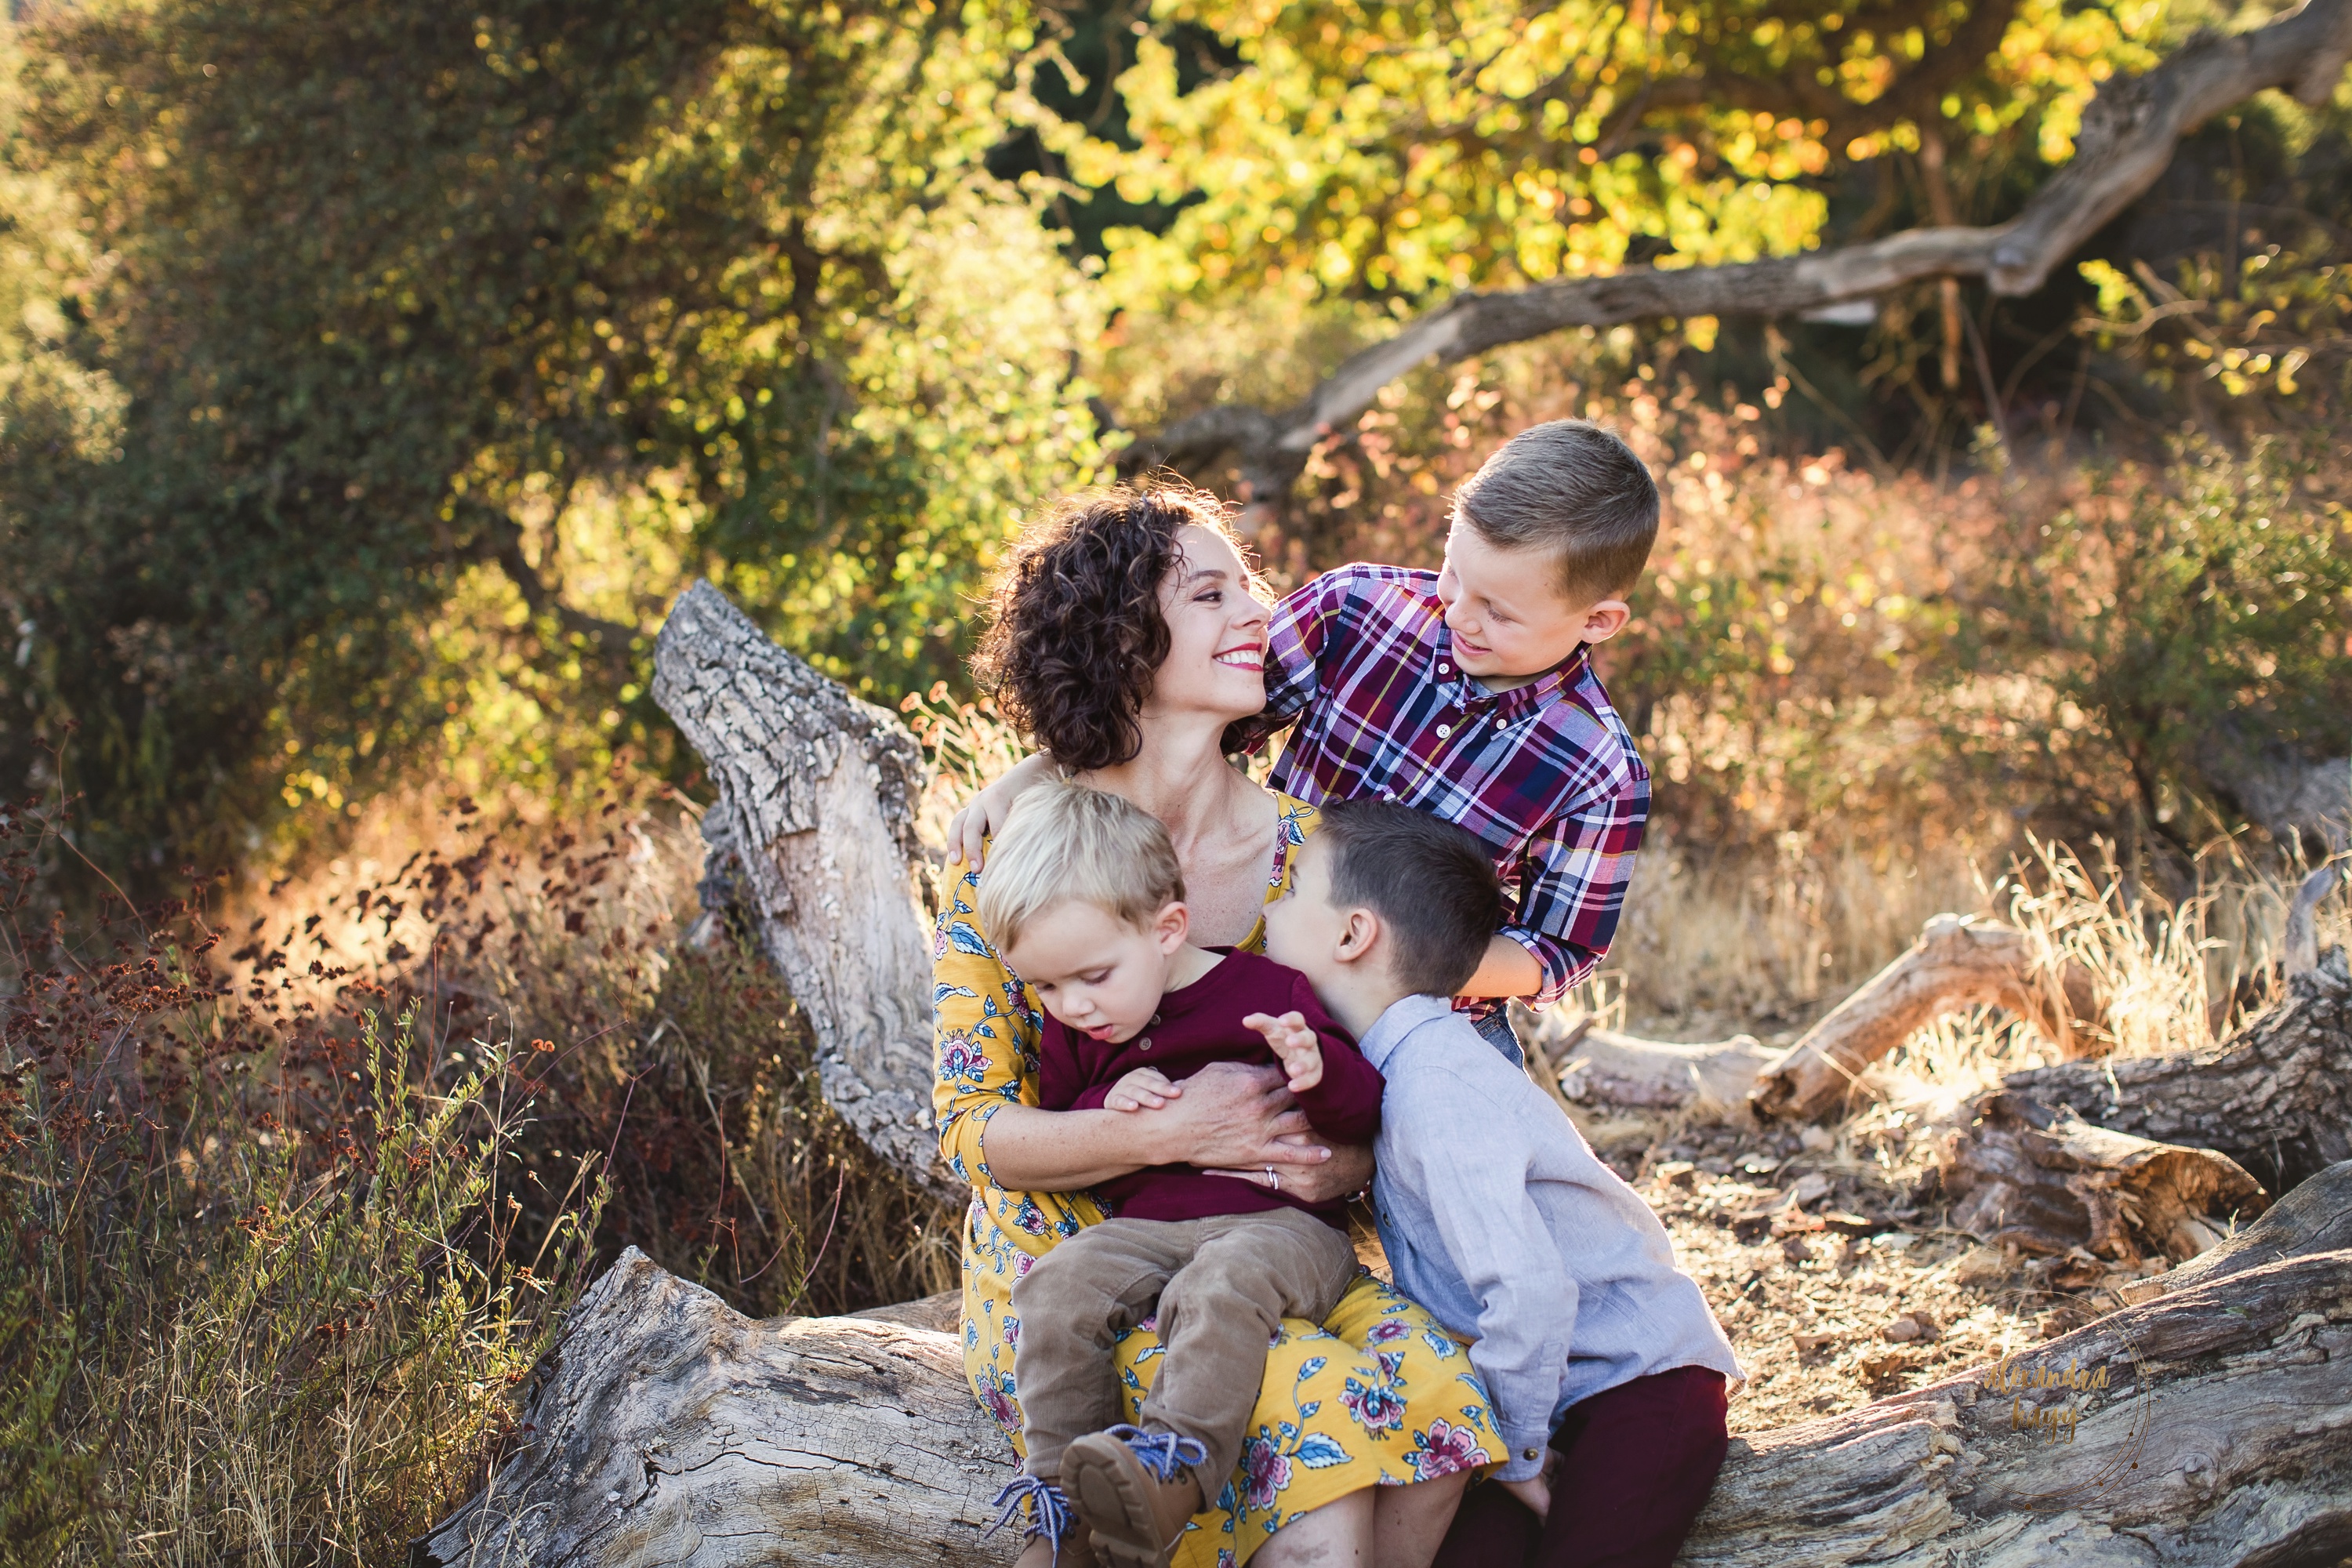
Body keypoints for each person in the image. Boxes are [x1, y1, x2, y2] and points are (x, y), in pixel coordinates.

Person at [933, 486, 1497, 1568]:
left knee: (1434, 1387)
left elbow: (1397, 1077)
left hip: (1277, 1247)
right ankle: (1087, 1517)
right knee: (1312, 1407)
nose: (1256, 611)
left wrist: (1339, 1161)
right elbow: (970, 1130)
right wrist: (1171, 1129)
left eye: (1249, 586)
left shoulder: (1315, 858)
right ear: (1120, 639)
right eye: (1209, 593)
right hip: (1077, 1263)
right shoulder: (1018, 851)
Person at [951, 419, 1661, 1069]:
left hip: (1427, 1019)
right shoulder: (1356, 608)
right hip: (1275, 954)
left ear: (1598, 620)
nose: (1459, 614)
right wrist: (1043, 768)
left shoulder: (1600, 768)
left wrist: (1387, 957)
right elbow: (1175, 705)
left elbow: (1558, 949)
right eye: (1453, 575)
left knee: (1459, 1182)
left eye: (1498, 613)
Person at [1260, 799, 1745, 1568]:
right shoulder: (1394, 1066)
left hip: (1641, 1384)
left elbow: (1531, 1292)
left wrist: (1515, 1457)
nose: (1270, 906)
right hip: (1537, 1390)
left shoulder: (1436, 1085)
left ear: (1354, 934)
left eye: (1291, 890)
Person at [978, 781, 1384, 1567]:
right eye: (1046, 986)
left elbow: (1364, 1113)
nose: (1073, 1006)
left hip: (1284, 1230)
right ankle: (1066, 1506)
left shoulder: (1270, 994)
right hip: (1151, 1229)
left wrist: (1318, 1066)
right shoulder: (1082, 1029)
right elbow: (1065, 1116)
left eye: (1093, 975)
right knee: (1057, 1284)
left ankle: (1171, 1470)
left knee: (1219, 1285)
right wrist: (1109, 1098)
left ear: (1168, 928)